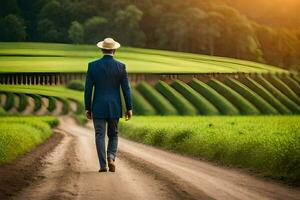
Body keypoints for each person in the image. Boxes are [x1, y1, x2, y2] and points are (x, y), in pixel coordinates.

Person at [84, 37, 133, 173]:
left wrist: (87, 107)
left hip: (98, 106)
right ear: (114, 50)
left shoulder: (92, 66)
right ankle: (111, 157)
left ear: (101, 49)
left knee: (99, 135)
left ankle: (102, 165)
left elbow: (88, 89)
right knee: (114, 135)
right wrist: (129, 108)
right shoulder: (121, 66)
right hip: (114, 106)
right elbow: (126, 89)